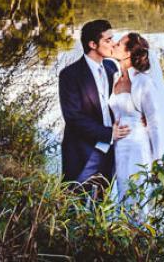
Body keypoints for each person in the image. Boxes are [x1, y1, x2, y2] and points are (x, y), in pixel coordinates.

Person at [108, 32, 164, 206]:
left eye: (118, 44)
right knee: (123, 197)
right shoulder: (114, 77)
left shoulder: (143, 82)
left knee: (138, 198)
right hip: (118, 149)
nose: (114, 45)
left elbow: (155, 124)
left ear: (128, 53)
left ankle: (140, 231)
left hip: (138, 148)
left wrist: (157, 161)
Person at [58, 19, 130, 198]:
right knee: (73, 207)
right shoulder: (70, 75)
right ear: (92, 44)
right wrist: (107, 133)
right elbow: (73, 118)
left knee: (101, 208)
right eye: (108, 40)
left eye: (112, 39)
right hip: (83, 153)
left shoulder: (111, 67)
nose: (113, 44)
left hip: (111, 152)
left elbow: (122, 99)